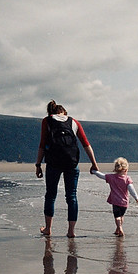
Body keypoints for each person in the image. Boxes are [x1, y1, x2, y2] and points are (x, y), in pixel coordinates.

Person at [35, 100, 99, 238]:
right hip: (72, 163)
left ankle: (48, 228)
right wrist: (94, 163)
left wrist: (38, 164)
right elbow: (86, 144)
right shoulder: (74, 122)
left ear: (51, 112)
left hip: (53, 163)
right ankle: (71, 231)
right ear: (64, 112)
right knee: (72, 196)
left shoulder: (47, 121)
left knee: (51, 195)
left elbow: (42, 144)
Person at [92, 157, 138, 236]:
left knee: (117, 216)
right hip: (124, 202)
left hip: (115, 201)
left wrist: (94, 171)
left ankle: (120, 228)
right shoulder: (127, 179)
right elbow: (131, 189)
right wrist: (136, 197)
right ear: (125, 170)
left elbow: (101, 176)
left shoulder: (111, 177)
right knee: (121, 216)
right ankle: (118, 229)